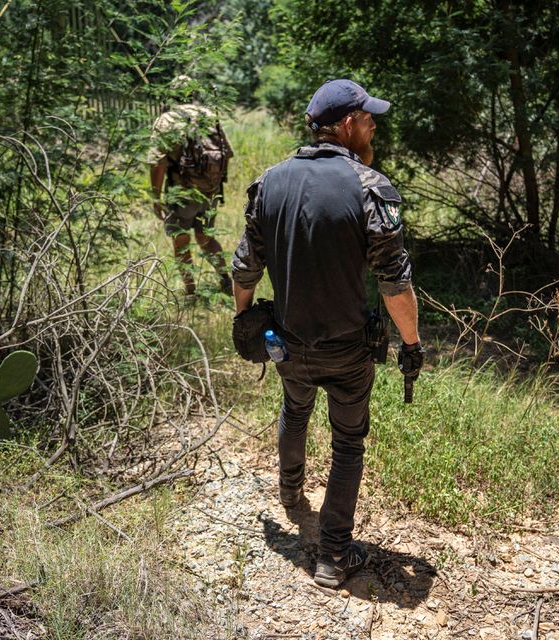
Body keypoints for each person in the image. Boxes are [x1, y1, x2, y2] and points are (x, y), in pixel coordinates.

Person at [231, 79, 424, 588]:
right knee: (348, 443)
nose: (374, 126)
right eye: (368, 119)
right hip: (347, 350)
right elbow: (394, 283)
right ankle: (334, 555)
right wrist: (411, 343)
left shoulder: (268, 182)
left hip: (286, 343)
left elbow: (245, 268)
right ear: (346, 125)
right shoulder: (370, 186)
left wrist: (244, 320)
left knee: (295, 409)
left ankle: (291, 494)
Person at [148, 78, 234, 297]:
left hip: (182, 192)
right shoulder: (209, 115)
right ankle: (225, 279)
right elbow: (227, 153)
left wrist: (156, 198)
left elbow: (158, 164)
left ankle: (190, 292)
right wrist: (213, 183)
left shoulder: (166, 120)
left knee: (181, 241)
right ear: (193, 94)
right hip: (210, 191)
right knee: (206, 237)